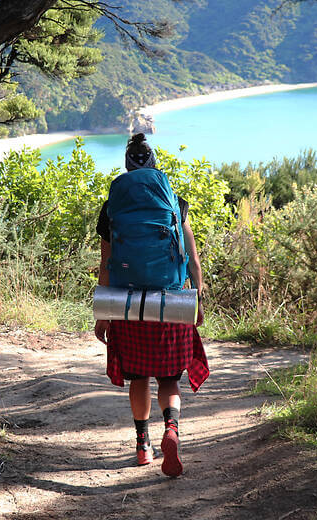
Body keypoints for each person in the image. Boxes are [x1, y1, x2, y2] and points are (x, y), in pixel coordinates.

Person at [94, 133, 209, 478]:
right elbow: (192, 258)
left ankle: (142, 445)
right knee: (170, 378)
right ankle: (171, 431)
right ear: (155, 165)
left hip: (129, 303)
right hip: (171, 300)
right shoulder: (174, 200)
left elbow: (106, 264)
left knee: (138, 377)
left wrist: (103, 313)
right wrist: (197, 300)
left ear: (127, 166)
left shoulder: (113, 205)